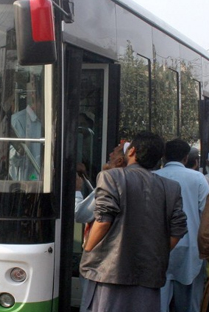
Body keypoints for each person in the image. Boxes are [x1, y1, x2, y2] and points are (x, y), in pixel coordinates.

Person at [80, 131, 187, 312]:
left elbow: (103, 220)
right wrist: (155, 250)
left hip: (108, 273)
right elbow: (178, 230)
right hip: (148, 277)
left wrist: (88, 248)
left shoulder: (111, 177)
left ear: (132, 151)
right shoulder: (171, 187)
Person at [154, 139, 209, 312]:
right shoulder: (198, 178)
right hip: (190, 248)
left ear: (163, 156)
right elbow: (204, 213)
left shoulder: (153, 176)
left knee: (159, 301)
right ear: (186, 158)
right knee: (189, 302)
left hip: (159, 247)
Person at [75, 141, 129, 224]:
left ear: (119, 161)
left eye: (114, 152)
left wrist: (77, 190)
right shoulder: (129, 182)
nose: (110, 155)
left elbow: (79, 215)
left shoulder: (112, 184)